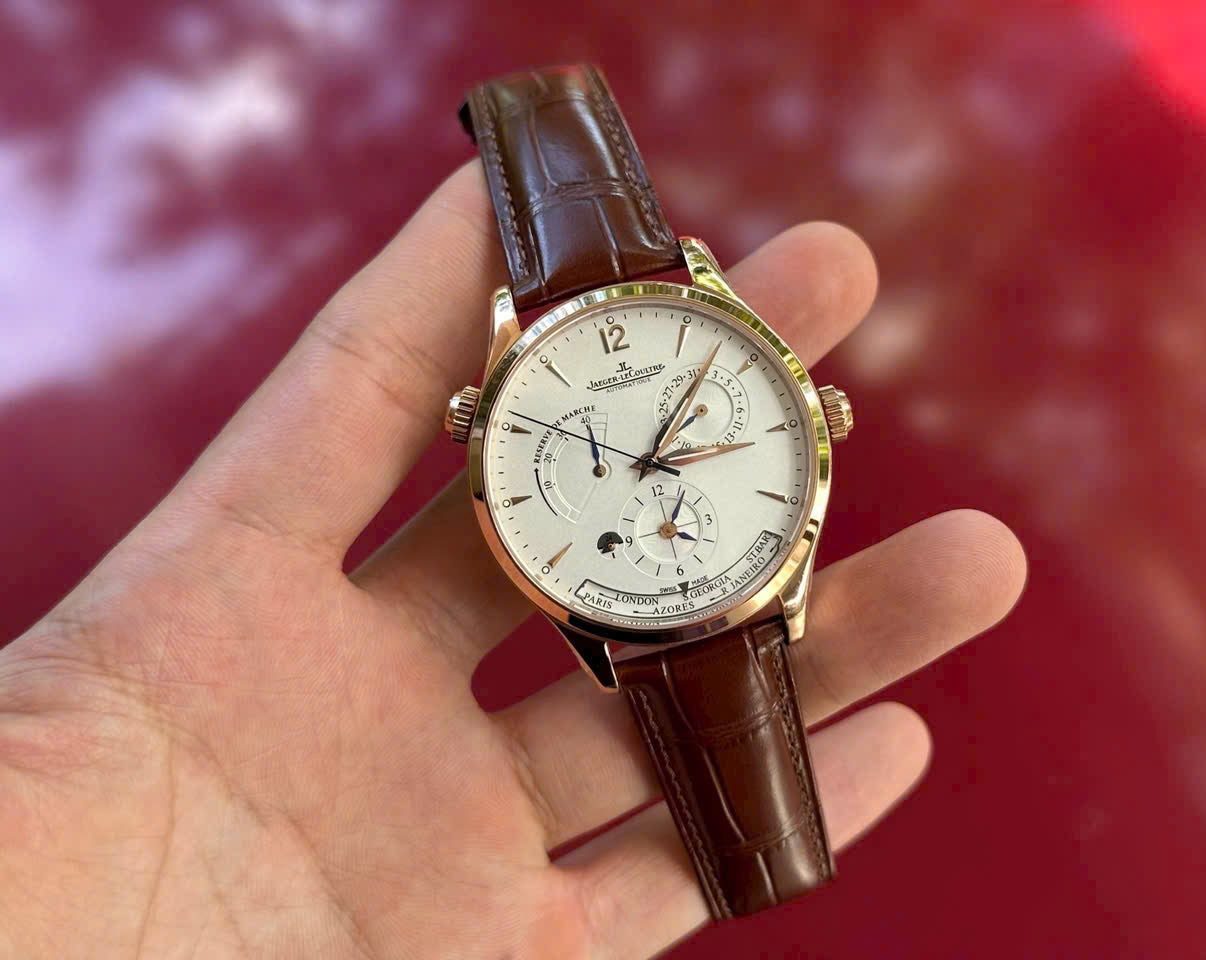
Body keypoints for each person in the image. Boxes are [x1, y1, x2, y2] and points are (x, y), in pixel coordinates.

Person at [0, 161, 1026, 957]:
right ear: (474, 426)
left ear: (817, 417)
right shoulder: (523, 422)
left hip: (738, 571)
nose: (648, 468)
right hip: (638, 591)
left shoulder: (745, 386)